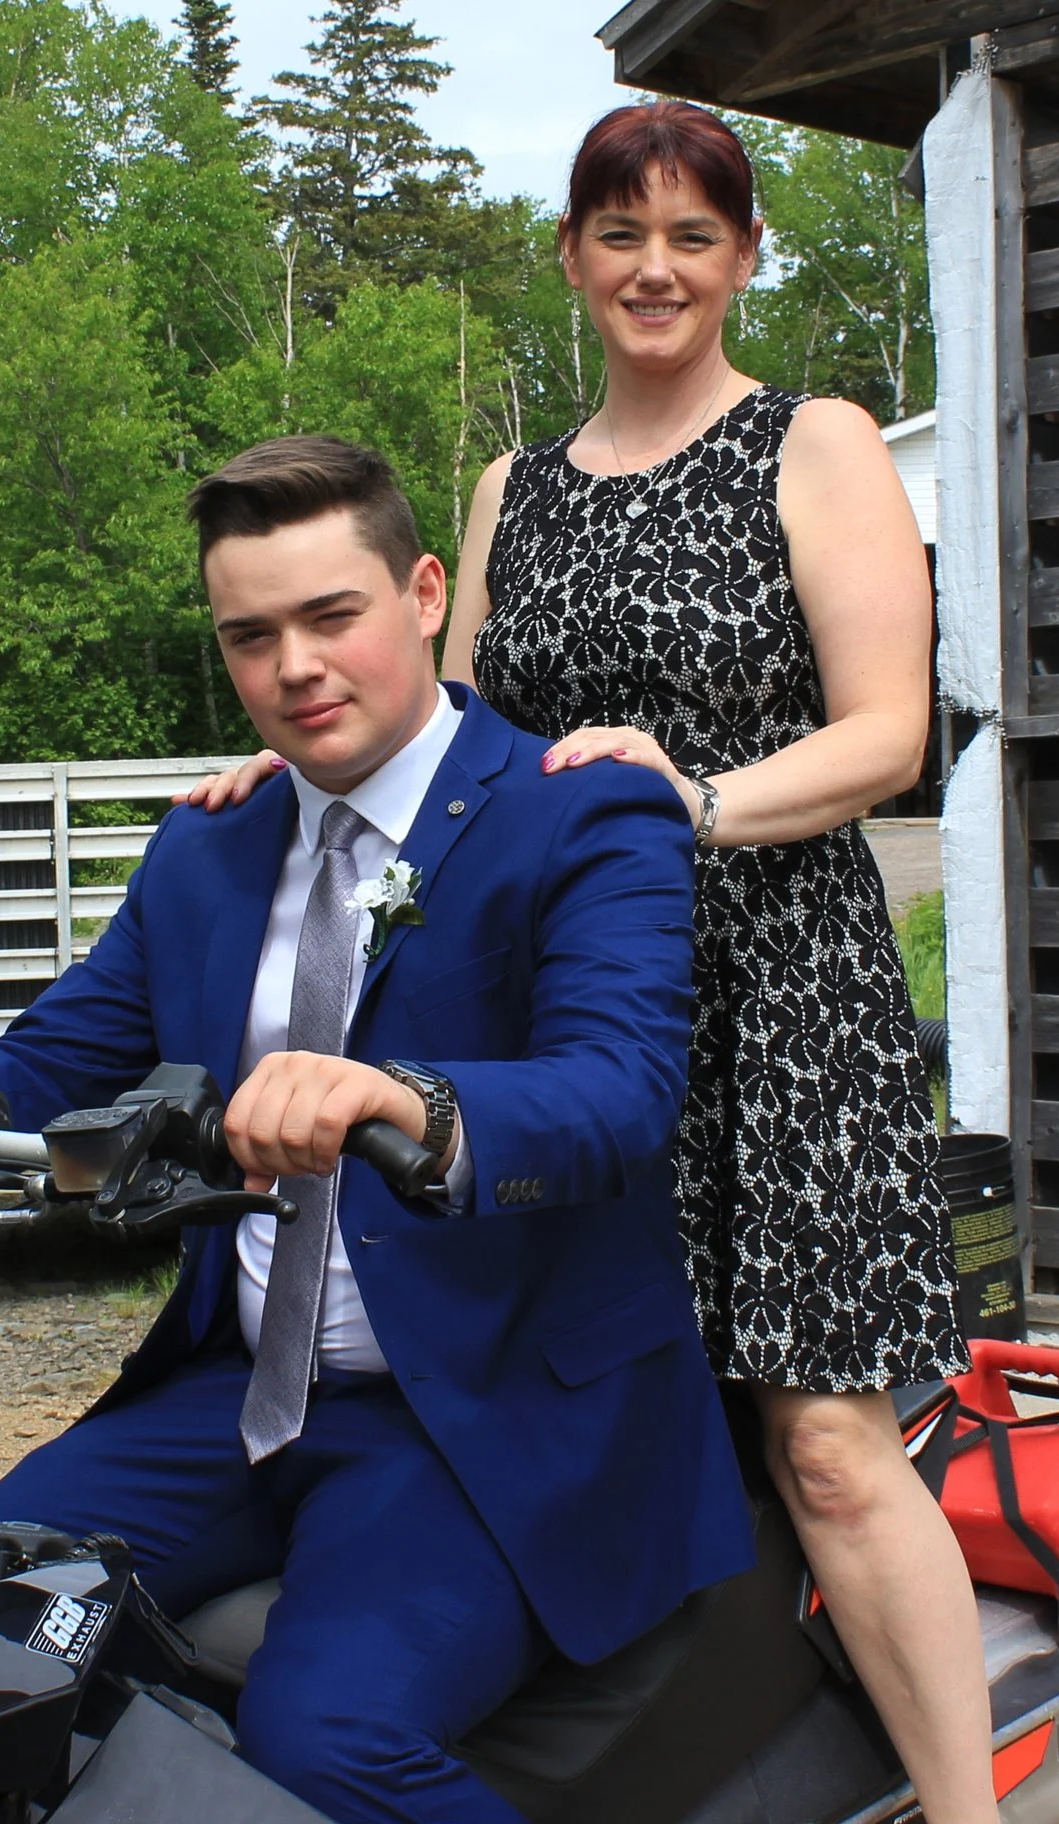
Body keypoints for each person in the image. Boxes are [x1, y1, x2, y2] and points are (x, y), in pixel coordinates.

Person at [0, 435, 753, 1824]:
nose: (295, 668)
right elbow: (37, 1073)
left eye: (332, 617)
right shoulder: (213, 847)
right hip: (241, 1400)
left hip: (490, 1417)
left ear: (425, 594)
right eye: (251, 636)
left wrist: (405, 1098)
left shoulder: (583, 811)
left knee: (325, 1737)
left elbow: (618, 1092)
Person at [178, 105, 994, 1823]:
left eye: (696, 236)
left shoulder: (816, 441)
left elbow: (891, 738)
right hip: (558, 1005)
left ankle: (973, 1806)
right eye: (622, 234)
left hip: (770, 997)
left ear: (744, 259)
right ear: (571, 255)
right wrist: (297, 760)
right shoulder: (512, 488)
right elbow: (445, 725)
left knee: (826, 1445)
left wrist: (686, 800)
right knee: (595, 1423)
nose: (657, 269)